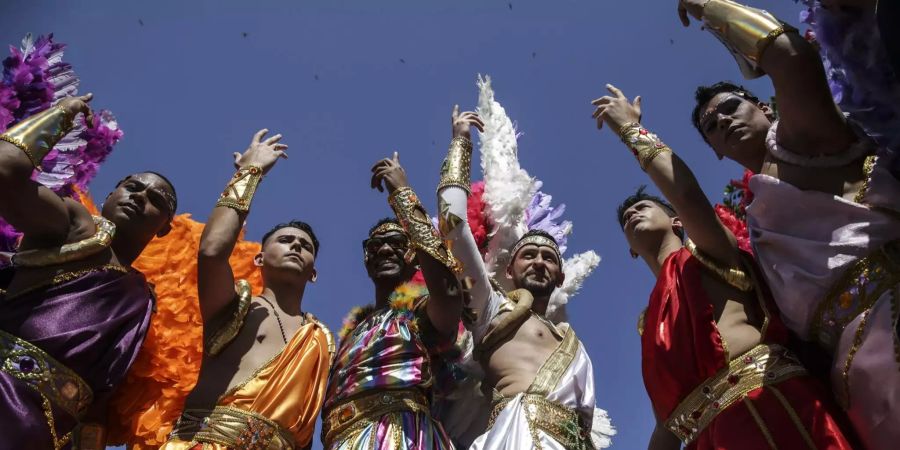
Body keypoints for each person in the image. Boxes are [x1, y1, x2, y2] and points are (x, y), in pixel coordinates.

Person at [677, 0, 900, 446]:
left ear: (762, 105)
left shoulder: (801, 140)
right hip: (853, 379)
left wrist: (710, 8)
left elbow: (791, 57)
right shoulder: (756, 214)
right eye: (712, 127)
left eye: (730, 108)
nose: (722, 120)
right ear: (717, 152)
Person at [592, 81, 855, 449]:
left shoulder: (710, 250)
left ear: (678, 222)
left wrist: (630, 130)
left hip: (770, 405)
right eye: (626, 219)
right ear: (630, 250)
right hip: (710, 437)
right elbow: (666, 420)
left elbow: (685, 194)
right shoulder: (647, 321)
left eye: (644, 207)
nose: (633, 213)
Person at [0, 95, 177, 449]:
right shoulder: (75, 225)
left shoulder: (144, 299)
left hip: (47, 436)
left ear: (164, 228)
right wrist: (60, 115)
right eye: (132, 187)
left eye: (157, 200)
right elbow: (5, 172)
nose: (140, 197)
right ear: (111, 194)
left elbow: (98, 403)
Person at [434, 105, 610, 450]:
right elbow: (452, 222)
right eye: (528, 255)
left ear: (560, 277)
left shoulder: (572, 342)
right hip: (515, 438)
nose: (539, 262)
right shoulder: (489, 308)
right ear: (509, 269)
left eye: (549, 257)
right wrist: (460, 144)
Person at [162, 129, 333, 450]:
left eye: (306, 246)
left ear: (314, 272)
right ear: (259, 258)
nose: (296, 245)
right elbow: (212, 252)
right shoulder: (235, 305)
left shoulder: (320, 338)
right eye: (285, 240)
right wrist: (249, 172)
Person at [319, 152, 467, 450]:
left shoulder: (417, 313)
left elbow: (450, 294)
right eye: (376, 246)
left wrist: (402, 193)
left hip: (401, 433)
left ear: (414, 256)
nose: (385, 250)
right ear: (365, 258)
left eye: (396, 244)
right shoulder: (350, 333)